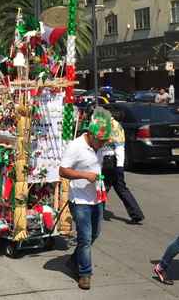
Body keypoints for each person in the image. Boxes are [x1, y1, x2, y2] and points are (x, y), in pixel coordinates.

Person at [59, 107, 112, 290]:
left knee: (94, 235)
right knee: (85, 238)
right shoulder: (75, 146)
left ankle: (74, 260)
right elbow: (63, 171)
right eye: (101, 141)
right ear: (91, 134)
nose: (103, 144)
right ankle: (85, 273)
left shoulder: (100, 146)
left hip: (97, 197)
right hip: (80, 199)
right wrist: (84, 175)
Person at [101, 113, 145, 224]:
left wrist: (119, 166)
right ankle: (136, 213)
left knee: (103, 187)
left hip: (111, 162)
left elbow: (119, 147)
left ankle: (98, 212)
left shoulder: (112, 126)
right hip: (112, 162)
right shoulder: (111, 125)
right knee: (120, 188)